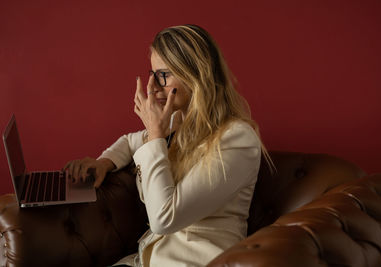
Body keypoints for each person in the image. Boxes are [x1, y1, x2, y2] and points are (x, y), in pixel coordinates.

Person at [63, 24, 275, 267]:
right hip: (146, 259)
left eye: (163, 75)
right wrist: (103, 162)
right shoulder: (177, 123)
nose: (152, 87)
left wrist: (155, 135)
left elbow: (164, 219)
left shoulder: (237, 139)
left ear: (195, 74)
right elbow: (130, 142)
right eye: (152, 74)